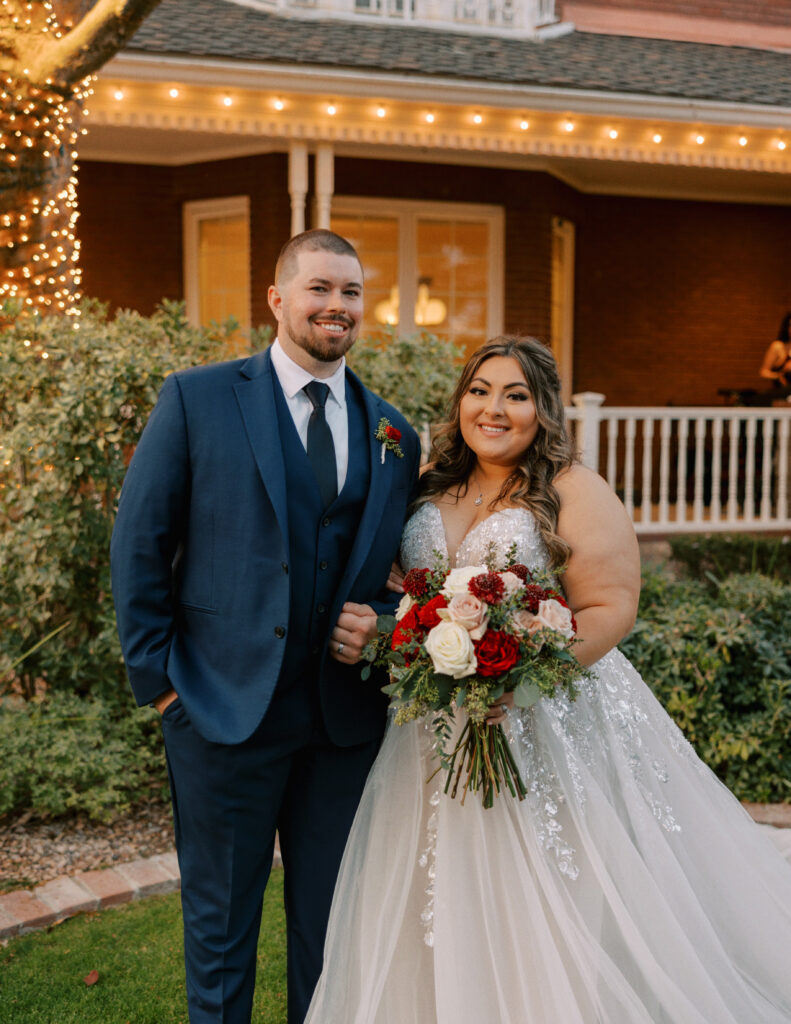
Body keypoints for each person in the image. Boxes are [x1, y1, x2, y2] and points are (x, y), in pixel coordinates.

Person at [305, 336, 791, 1023]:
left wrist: (522, 683)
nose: (493, 409)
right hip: (434, 725)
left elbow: (610, 605)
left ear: (543, 410)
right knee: (433, 885)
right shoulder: (433, 484)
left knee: (561, 883)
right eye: (479, 391)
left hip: (543, 716)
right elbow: (408, 594)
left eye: (515, 395)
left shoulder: (570, 488)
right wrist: (391, 632)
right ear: (460, 401)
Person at [110, 229, 421, 1024]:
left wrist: (381, 624)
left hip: (341, 721)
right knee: (220, 933)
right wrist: (161, 688)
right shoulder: (198, 398)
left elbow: (396, 572)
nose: (336, 306)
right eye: (319, 288)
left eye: (350, 292)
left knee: (331, 929)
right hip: (218, 712)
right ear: (277, 299)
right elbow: (140, 542)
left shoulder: (393, 433)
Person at [759, 311, 791, 394]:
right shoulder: (777, 346)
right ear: (787, 327)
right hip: (782, 392)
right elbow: (763, 372)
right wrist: (778, 376)